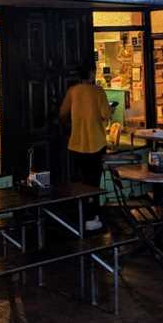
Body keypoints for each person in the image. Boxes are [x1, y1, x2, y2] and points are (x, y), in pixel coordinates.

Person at [59, 61, 111, 232]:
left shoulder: (72, 92)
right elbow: (105, 114)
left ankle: (79, 215)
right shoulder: (98, 91)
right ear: (92, 73)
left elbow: (62, 113)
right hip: (96, 143)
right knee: (94, 181)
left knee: (79, 181)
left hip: (76, 143)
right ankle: (92, 217)